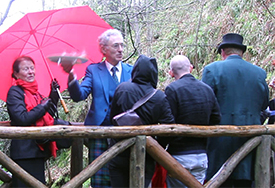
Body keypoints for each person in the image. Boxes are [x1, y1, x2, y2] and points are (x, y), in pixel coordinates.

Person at [60, 29, 133, 188]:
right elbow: (79, 96)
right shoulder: (93, 70)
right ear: (104, 49)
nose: (120, 49)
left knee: (124, 179)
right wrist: (71, 74)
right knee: (100, 180)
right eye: (115, 46)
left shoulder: (131, 70)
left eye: (122, 45)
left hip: (125, 133)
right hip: (99, 132)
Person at [202, 33, 269, 187]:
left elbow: (206, 103)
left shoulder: (212, 70)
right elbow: (263, 103)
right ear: (242, 53)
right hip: (250, 140)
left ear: (223, 52)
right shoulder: (259, 73)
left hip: (219, 141)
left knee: (219, 182)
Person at [109, 54, 175, 188]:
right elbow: (169, 128)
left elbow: (113, 117)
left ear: (135, 70)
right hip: (146, 154)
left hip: (119, 151)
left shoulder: (122, 89)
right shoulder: (159, 97)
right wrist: (156, 147)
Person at [6, 56, 71, 187]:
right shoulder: (14, 92)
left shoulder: (35, 93)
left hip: (37, 150)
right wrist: (43, 106)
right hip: (24, 152)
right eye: (25, 69)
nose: (31, 71)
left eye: (32, 68)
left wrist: (52, 95)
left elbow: (47, 115)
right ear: (16, 74)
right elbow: (22, 119)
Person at [163, 55, 221, 187]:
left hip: (179, 154)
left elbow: (169, 122)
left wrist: (160, 147)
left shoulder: (172, 89)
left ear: (171, 72)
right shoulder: (207, 89)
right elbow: (216, 118)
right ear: (191, 68)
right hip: (201, 155)